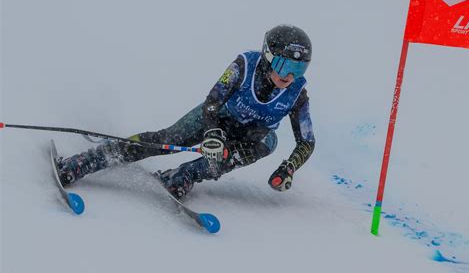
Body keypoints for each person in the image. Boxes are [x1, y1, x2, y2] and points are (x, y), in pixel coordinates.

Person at [58, 24, 316, 199]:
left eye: (299, 68)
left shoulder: (297, 94)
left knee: (267, 141)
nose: (290, 76)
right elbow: (213, 100)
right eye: (284, 65)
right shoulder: (245, 65)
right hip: (217, 117)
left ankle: (184, 175)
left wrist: (289, 167)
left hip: (250, 135)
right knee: (166, 141)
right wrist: (213, 132)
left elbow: (307, 141)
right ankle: (89, 160)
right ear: (269, 56)